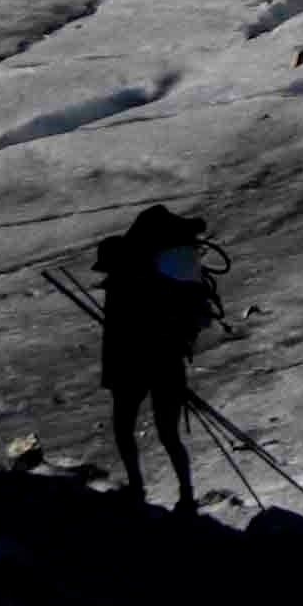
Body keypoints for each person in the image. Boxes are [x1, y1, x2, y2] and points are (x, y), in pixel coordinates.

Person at [93, 201, 230, 511]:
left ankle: (138, 488)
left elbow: (116, 335)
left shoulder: (124, 284)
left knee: (125, 428)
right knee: (168, 433)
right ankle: (185, 495)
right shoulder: (164, 281)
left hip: (131, 367)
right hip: (167, 363)